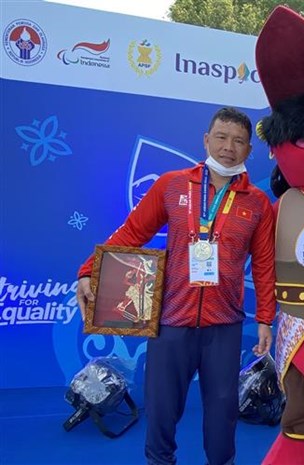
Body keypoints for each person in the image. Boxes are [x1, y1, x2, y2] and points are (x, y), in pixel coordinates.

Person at [76, 107, 276, 465]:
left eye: (239, 141)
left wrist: (264, 318)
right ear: (206, 140)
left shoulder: (258, 203)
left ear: (249, 150)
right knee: (161, 409)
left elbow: (263, 264)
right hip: (171, 320)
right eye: (221, 137)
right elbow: (132, 232)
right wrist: (88, 269)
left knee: (223, 412)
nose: (228, 147)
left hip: (224, 326)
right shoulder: (172, 184)